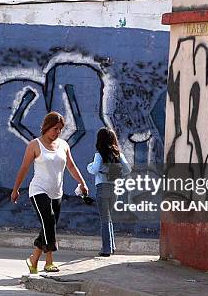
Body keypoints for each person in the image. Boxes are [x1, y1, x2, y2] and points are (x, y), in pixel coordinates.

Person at [11, 112, 89, 274]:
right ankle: (49, 262)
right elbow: (24, 168)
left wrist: (82, 182)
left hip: (57, 193)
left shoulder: (64, 145)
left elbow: (71, 166)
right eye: (55, 128)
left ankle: (33, 260)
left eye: (60, 129)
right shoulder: (35, 145)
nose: (58, 132)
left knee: (48, 225)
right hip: (39, 190)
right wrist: (16, 189)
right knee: (49, 219)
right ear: (46, 127)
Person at [87, 127, 131, 257]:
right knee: (109, 218)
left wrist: (89, 166)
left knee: (104, 220)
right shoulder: (119, 155)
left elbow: (94, 169)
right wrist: (117, 174)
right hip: (114, 189)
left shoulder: (99, 154)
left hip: (102, 188)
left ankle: (106, 249)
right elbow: (128, 169)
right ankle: (111, 246)